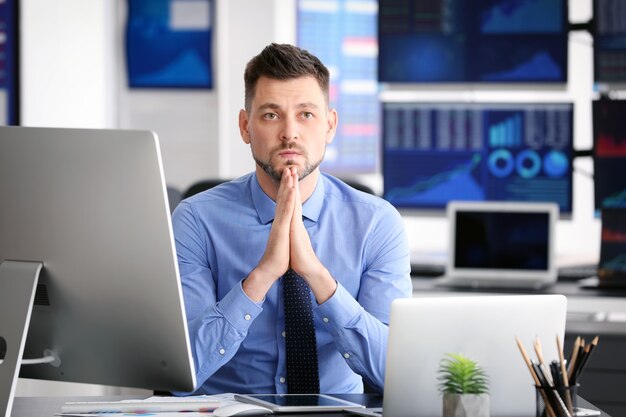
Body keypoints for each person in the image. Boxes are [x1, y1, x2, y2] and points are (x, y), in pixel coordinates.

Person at [172, 43, 412, 395]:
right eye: (271, 115)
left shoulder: (377, 223)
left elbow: (396, 374)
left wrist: (316, 275)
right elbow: (183, 373)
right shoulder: (195, 220)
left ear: (329, 125)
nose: (289, 133)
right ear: (245, 126)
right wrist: (264, 273)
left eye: (306, 114)